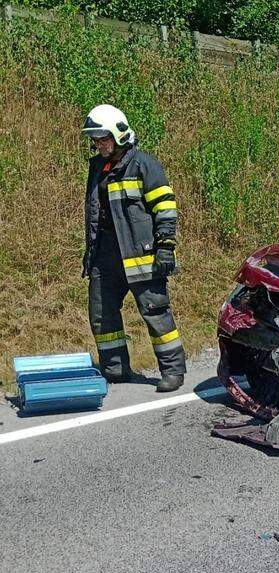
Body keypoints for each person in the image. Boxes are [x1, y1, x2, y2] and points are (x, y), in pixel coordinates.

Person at [82, 104, 186, 392]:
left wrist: (165, 246)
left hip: (141, 254)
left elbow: (165, 208)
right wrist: (90, 252)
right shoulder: (97, 168)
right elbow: (95, 213)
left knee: (155, 311)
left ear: (119, 134)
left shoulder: (144, 165)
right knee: (102, 313)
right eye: (96, 140)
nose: (99, 144)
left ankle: (173, 371)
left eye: (104, 139)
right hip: (105, 255)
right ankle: (115, 369)